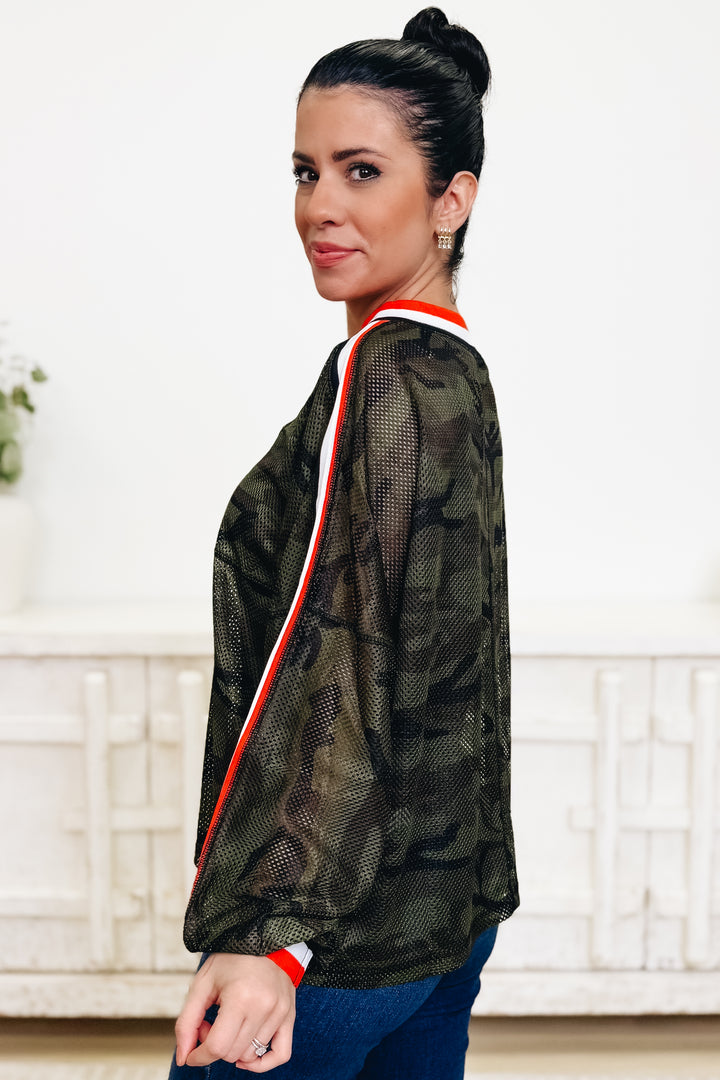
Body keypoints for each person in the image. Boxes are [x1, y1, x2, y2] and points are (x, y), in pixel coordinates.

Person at [169, 8, 520, 1078]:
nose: (319, 205)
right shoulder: (454, 370)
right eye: (304, 171)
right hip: (445, 913)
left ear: (451, 199)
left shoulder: (382, 377)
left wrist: (271, 936)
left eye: (361, 171)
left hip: (342, 941)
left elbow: (340, 652)